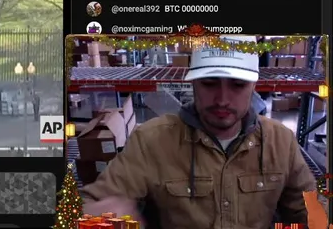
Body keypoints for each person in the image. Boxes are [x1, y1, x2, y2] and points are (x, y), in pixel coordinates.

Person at [81, 38, 316, 228]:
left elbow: (312, 212)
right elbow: (90, 205)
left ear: (253, 85)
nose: (222, 99)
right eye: (209, 83)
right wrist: (99, 218)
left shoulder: (280, 142)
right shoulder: (151, 142)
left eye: (237, 85)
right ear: (193, 83)